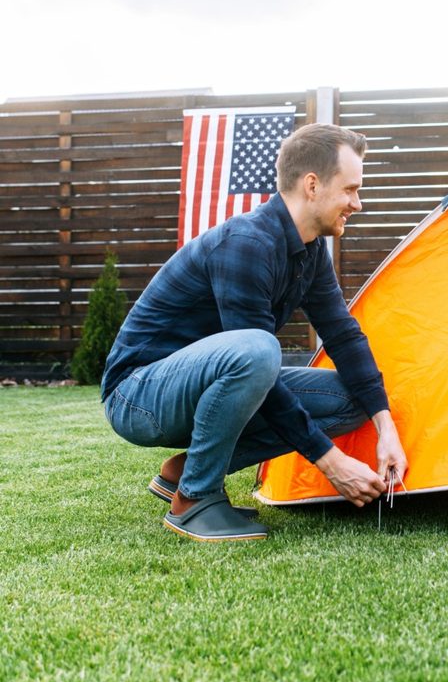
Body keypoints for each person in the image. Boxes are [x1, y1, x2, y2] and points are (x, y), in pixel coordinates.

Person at [100, 123, 407, 542]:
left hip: (209, 379)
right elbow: (252, 358)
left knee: (351, 401)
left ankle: (186, 472)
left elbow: (343, 335)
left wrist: (385, 427)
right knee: (259, 349)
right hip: (138, 394)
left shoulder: (310, 250)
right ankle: (194, 500)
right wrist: (330, 461)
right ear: (312, 185)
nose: (357, 202)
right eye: (350, 189)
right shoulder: (247, 243)